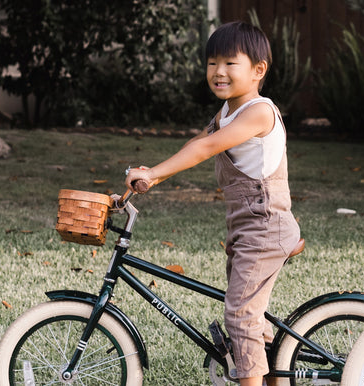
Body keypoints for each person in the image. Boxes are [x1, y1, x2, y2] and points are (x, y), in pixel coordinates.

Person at [125, 21, 300, 386]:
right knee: (251, 313)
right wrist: (151, 174)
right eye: (212, 63)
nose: (218, 71)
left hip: (265, 227)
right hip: (246, 228)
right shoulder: (227, 112)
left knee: (240, 315)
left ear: (258, 70)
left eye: (229, 63)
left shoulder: (259, 111)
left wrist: (155, 173)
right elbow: (196, 142)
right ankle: (270, 375)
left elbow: (207, 148)